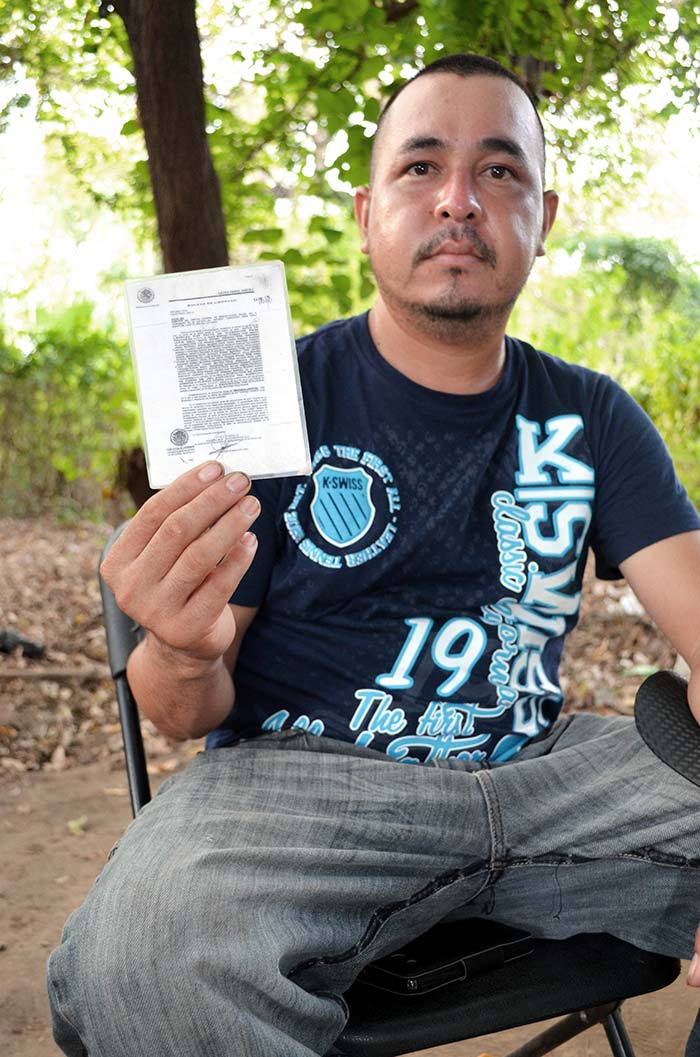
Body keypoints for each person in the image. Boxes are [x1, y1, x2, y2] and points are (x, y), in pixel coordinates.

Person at [48, 53, 700, 1057]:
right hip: (301, 792)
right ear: (366, 214)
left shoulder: (593, 415)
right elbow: (182, 710)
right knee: (141, 961)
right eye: (420, 166)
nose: (457, 199)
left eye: (498, 171)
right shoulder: (269, 407)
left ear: (544, 216)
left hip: (551, 780)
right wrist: (178, 648)